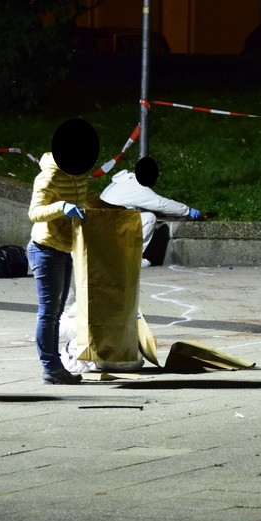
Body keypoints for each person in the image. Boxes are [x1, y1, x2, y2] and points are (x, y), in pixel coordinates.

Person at [27, 117, 105, 385]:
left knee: (57, 310)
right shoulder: (48, 176)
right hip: (44, 249)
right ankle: (50, 367)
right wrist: (60, 207)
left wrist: (112, 209)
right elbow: (34, 213)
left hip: (65, 247)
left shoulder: (79, 172)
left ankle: (54, 366)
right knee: (48, 311)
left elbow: (87, 197)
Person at [99, 168, 203, 267]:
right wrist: (187, 210)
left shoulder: (121, 183)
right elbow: (161, 204)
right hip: (110, 229)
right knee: (149, 218)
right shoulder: (138, 186)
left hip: (101, 228)